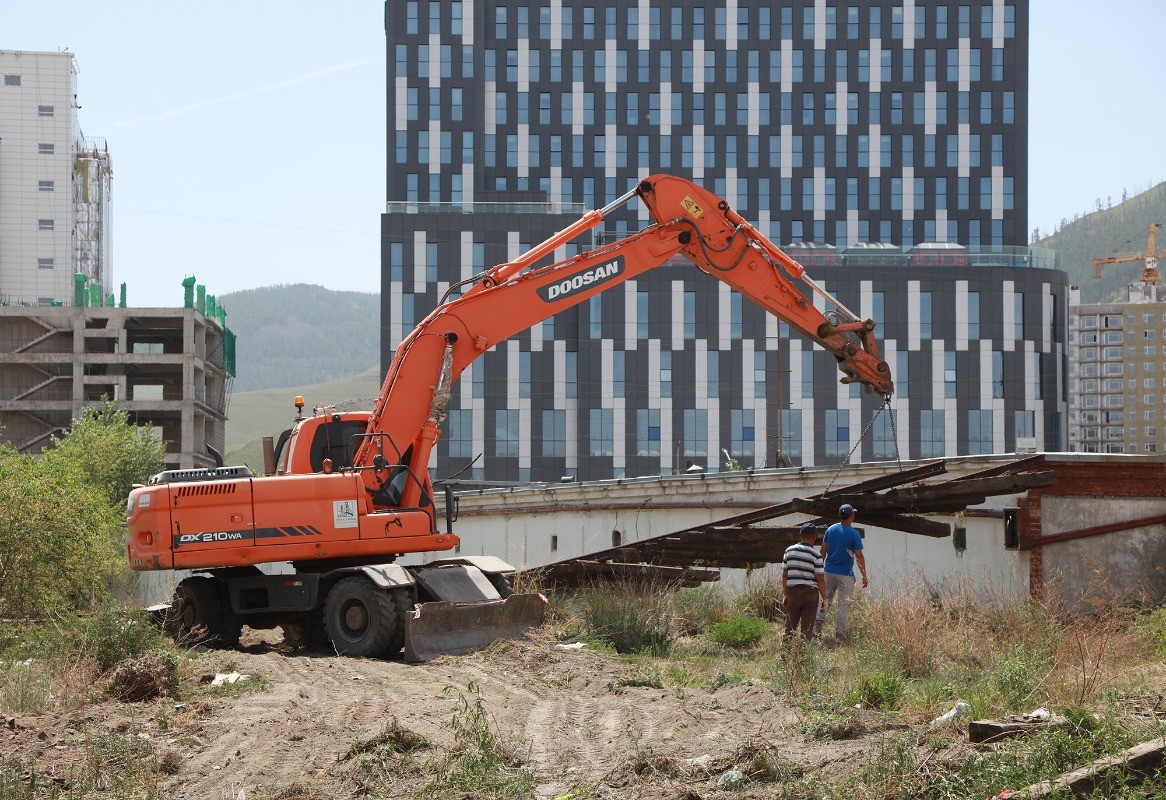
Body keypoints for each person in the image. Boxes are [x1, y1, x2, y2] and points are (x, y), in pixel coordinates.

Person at [815, 503, 868, 641]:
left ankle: (816, 628)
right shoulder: (854, 534)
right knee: (843, 605)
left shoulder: (831, 530)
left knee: (825, 600)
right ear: (852, 516)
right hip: (845, 574)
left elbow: (823, 550)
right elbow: (859, 556)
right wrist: (864, 575)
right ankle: (839, 635)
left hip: (828, 571)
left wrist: (820, 570)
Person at [781, 522, 827, 639]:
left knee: (789, 626)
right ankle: (804, 654)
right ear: (814, 537)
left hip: (793, 592)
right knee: (807, 628)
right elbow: (820, 579)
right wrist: (825, 599)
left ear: (800, 535)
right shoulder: (816, 555)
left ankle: (785, 655)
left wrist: (785, 595)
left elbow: (784, 575)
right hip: (810, 593)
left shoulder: (789, 551)